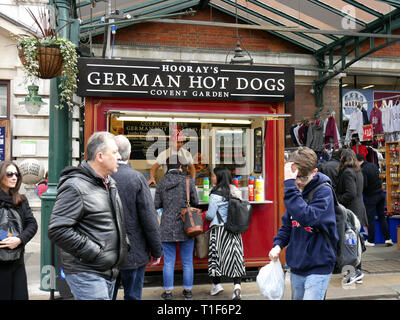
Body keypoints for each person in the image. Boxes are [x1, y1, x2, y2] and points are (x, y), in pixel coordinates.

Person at [48, 131, 129, 300]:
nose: (119, 157)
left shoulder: (108, 182)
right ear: (100, 156)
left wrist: (123, 245)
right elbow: (57, 229)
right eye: (114, 152)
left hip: (107, 270)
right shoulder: (75, 186)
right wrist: (94, 251)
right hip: (87, 272)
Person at [269, 147, 338, 300]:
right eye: (295, 178)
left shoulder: (323, 192)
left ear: (314, 172)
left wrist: (290, 186)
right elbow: (288, 224)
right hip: (298, 265)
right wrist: (278, 245)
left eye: (303, 178)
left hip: (319, 264)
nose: (298, 183)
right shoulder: (295, 191)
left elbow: (307, 217)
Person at [111, 135, 163, 300]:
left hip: (106, 252)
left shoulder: (101, 177)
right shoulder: (137, 178)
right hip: (134, 251)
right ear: (129, 155)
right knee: (133, 296)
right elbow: (149, 219)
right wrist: (156, 250)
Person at [154, 162, 199, 300]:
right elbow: (195, 201)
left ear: (167, 167)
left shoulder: (161, 183)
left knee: (168, 262)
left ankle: (168, 293)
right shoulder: (188, 181)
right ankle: (188, 291)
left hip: (167, 226)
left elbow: (156, 205)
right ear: (181, 167)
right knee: (187, 262)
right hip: (186, 226)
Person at [205, 167, 245, 300]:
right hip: (234, 230)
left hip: (220, 230)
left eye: (213, 176)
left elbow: (210, 215)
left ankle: (217, 285)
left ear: (220, 177)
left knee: (216, 257)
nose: (212, 178)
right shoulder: (235, 191)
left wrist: (203, 215)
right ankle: (237, 287)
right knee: (235, 257)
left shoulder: (215, 194)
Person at [0, 161, 38, 300]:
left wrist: (19, 239)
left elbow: (32, 224)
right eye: (9, 174)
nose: (14, 177)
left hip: (17, 261)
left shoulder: (21, 200)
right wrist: (5, 236)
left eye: (16, 174)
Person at [335, 148, 367, 284]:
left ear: (343, 158)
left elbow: (350, 193)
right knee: (355, 244)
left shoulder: (347, 172)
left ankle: (351, 274)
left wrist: (337, 199)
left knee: (349, 244)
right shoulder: (357, 171)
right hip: (359, 209)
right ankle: (357, 273)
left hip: (351, 212)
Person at [356, 154, 393, 247]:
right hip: (380, 194)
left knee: (370, 219)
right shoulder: (373, 165)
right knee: (382, 217)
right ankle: (388, 238)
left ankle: (371, 240)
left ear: (357, 161)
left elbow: (364, 185)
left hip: (371, 197)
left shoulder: (362, 170)